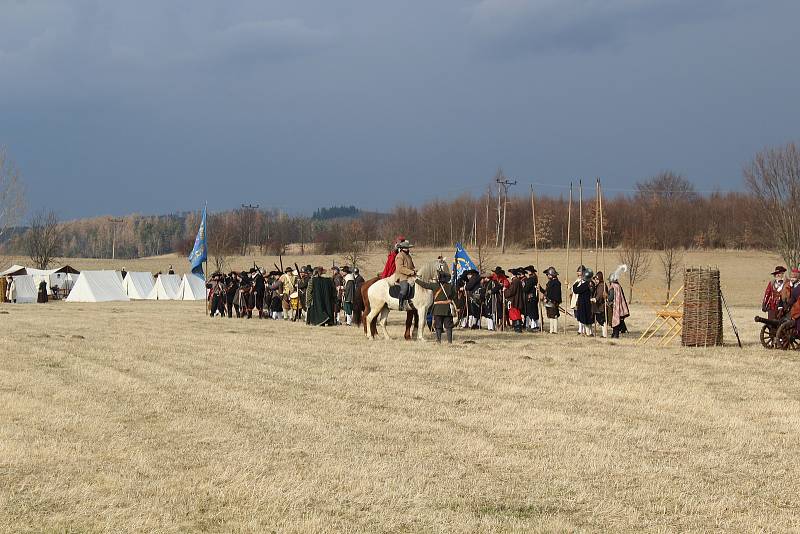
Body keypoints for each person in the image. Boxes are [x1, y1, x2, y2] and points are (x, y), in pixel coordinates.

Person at [416, 269, 457, 343]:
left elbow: (425, 285)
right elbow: (454, 296)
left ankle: (438, 341)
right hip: (447, 308)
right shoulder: (450, 286)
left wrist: (416, 280)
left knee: (438, 326)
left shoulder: (434, 285)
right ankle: (450, 341)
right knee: (448, 326)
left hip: (437, 309)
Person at [608, 267, 630, 338]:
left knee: (615, 320)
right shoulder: (618, 286)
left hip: (614, 305)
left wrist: (606, 297)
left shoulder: (613, 287)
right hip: (618, 305)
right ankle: (615, 333)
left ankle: (615, 334)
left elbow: (611, 297)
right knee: (617, 320)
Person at [394, 240, 416, 311]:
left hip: (410, 276)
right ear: (402, 248)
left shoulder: (408, 255)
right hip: (402, 276)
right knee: (405, 288)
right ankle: (400, 304)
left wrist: (415, 271)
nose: (408, 249)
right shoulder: (399, 256)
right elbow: (400, 268)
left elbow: (412, 266)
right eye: (407, 248)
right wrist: (411, 272)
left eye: (408, 248)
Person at [503, 268, 526, 333]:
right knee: (516, 314)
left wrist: (505, 290)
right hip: (517, 300)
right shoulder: (517, 281)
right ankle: (517, 327)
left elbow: (511, 292)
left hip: (514, 301)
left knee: (515, 314)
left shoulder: (515, 281)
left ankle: (518, 328)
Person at [574, 267, 595, 336]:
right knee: (588, 319)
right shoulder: (592, 283)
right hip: (588, 303)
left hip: (584, 303)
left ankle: (588, 333)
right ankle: (589, 333)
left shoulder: (586, 284)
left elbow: (576, 290)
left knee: (585, 319)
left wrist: (576, 284)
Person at [540, 267, 562, 334]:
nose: (547, 276)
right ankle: (551, 330)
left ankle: (555, 330)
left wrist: (554, 301)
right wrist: (540, 288)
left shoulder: (556, 283)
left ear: (551, 275)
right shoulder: (550, 282)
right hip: (548, 302)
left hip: (553, 302)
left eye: (548, 275)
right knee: (550, 316)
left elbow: (556, 294)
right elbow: (546, 292)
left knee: (554, 316)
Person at [591, 271, 609, 338]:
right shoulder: (599, 285)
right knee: (601, 320)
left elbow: (600, 295)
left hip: (601, 305)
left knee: (602, 320)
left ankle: (605, 335)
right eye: (595, 279)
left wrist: (596, 299)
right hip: (599, 305)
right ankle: (604, 334)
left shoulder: (602, 285)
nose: (595, 280)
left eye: (597, 279)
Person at [523, 266, 540, 331]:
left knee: (532, 312)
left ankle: (533, 326)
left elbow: (526, 289)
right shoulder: (535, 277)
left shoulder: (531, 279)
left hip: (531, 297)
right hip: (534, 297)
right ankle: (536, 325)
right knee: (534, 311)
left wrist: (523, 288)